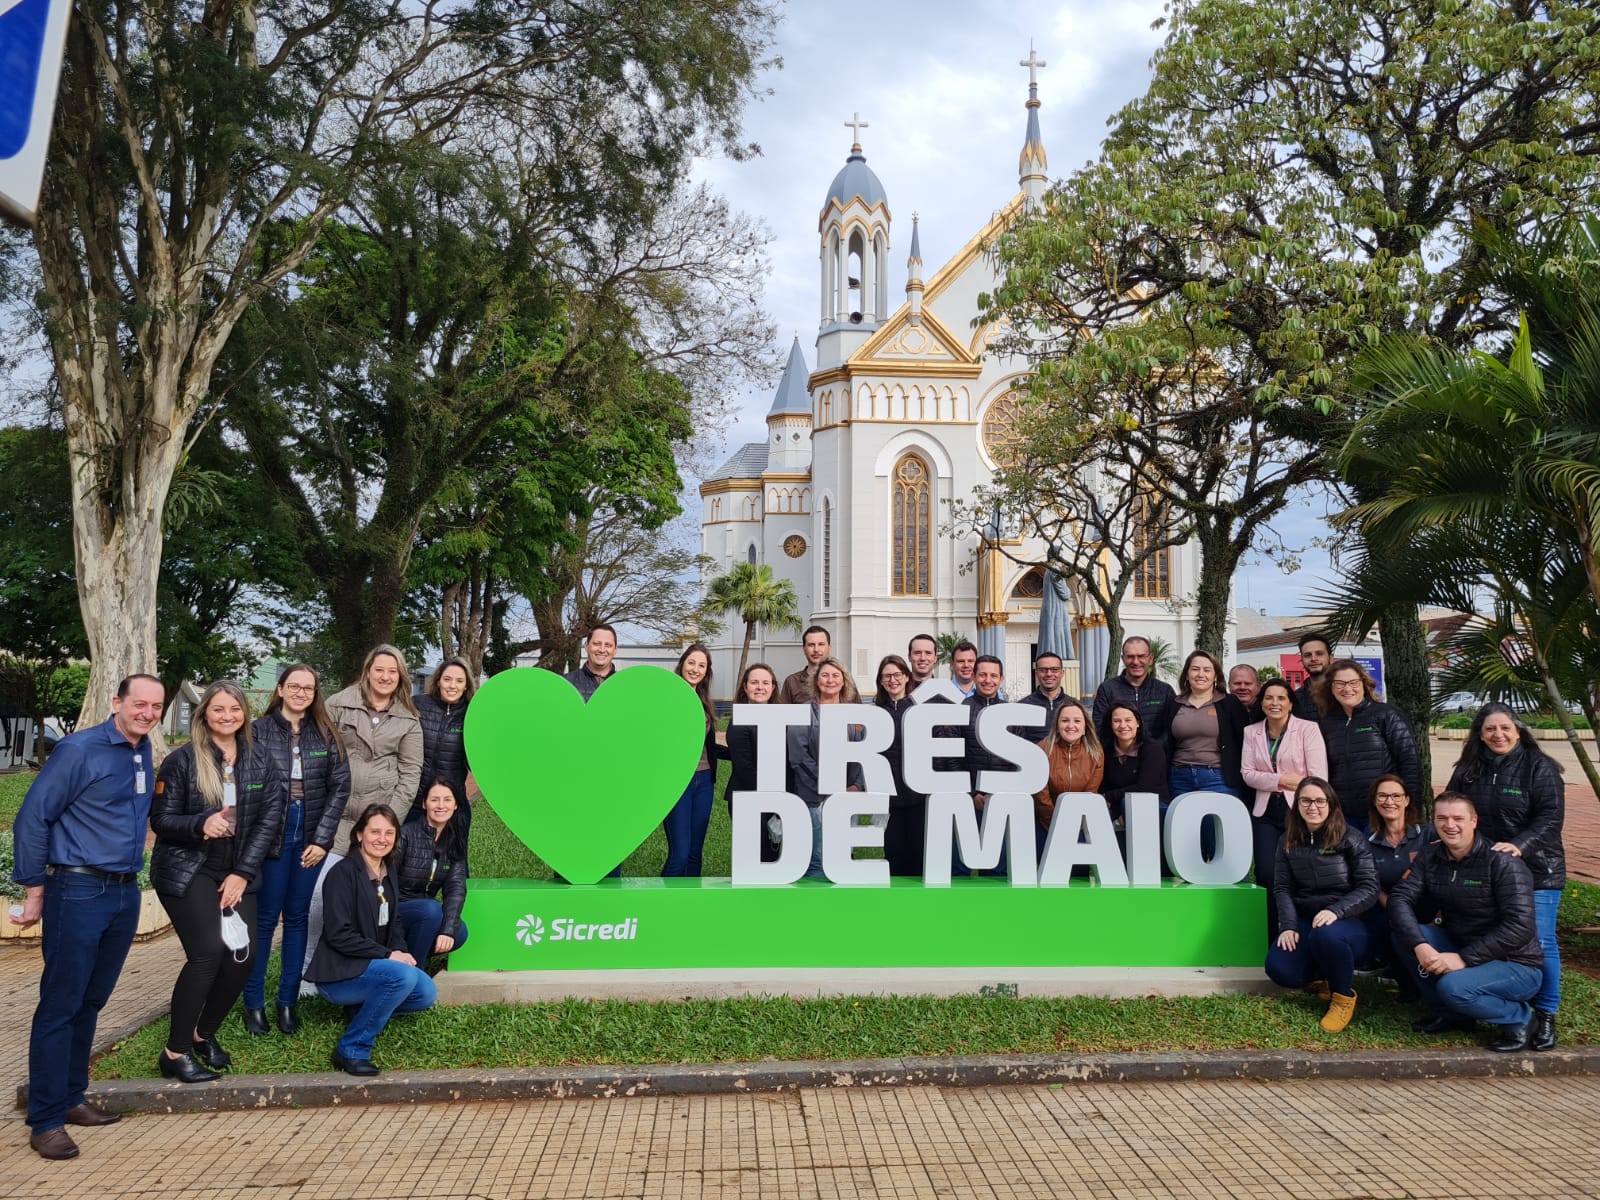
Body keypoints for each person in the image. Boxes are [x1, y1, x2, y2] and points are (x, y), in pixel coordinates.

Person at [11, 674, 164, 1161]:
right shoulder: (78, 750)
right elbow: (33, 817)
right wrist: (36, 890)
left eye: (156, 706)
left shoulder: (141, 751)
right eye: (139, 703)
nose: (147, 712)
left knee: (92, 1002)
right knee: (61, 1005)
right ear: (116, 702)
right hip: (77, 889)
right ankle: (46, 1119)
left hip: (123, 893)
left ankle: (72, 1097)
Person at [150, 681, 287, 1083]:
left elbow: (268, 821)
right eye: (218, 710)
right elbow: (160, 820)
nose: (227, 716)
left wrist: (242, 873)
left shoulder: (260, 760)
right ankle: (175, 1052)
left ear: (245, 712)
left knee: (242, 955)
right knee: (208, 952)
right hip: (188, 869)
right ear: (203, 714)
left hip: (235, 873)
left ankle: (201, 1033)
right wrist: (200, 823)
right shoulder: (181, 762)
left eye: (234, 709)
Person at [1446, 703, 1565, 1051]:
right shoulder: (1469, 768)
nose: (1498, 735)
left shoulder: (1539, 767)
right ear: (1479, 735)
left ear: (1518, 730)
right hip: (1485, 870)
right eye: (1489, 729)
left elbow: (1550, 817)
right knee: (1485, 932)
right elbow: (1453, 805)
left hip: (1538, 870)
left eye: (1505, 728)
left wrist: (1519, 845)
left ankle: (1545, 1012)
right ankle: (1492, 1003)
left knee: (1540, 941)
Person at [1388, 791, 1544, 1052]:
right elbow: (1399, 898)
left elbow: (1520, 926)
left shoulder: (1503, 863)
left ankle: (1521, 1018)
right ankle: (1453, 1015)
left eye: (1458, 818)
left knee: (1453, 987)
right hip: (1461, 944)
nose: (1450, 825)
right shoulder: (1431, 855)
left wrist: (1464, 959)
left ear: (1474, 821)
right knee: (1404, 937)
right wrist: (1419, 945)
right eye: (1442, 818)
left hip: (1516, 963)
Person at [243, 663, 350, 1037]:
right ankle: (253, 1004)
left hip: (310, 833)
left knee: (299, 918)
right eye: (294, 686)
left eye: (308, 688)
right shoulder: (256, 732)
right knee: (265, 920)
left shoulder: (325, 733)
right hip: (273, 834)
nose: (301, 693)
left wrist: (322, 840)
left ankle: (287, 1001)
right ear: (280, 690)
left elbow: (340, 788)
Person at [305, 804, 437, 1075]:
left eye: (389, 833)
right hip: (339, 975)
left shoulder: (387, 872)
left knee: (426, 993)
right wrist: (389, 956)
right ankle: (352, 1048)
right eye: (374, 831)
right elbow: (338, 934)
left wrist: (400, 949)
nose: (382, 839)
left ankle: (363, 1010)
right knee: (402, 977)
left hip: (369, 970)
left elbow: (395, 921)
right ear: (359, 835)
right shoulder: (342, 873)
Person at [1265, 777, 1378, 1032]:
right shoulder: (1287, 840)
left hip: (1349, 921)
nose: (1312, 807)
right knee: (1280, 970)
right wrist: (1288, 926)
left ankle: (1342, 997)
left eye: (1319, 801)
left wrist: (1336, 911)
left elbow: (1369, 888)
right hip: (1308, 918)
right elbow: (1283, 888)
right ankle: (1326, 976)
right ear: (1297, 805)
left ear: (1331, 804)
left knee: (1326, 936)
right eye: (1306, 800)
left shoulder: (1352, 838)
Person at [325, 645, 424, 855]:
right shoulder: (337, 705)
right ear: (368, 671)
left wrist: (388, 822)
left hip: (377, 821)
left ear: (400, 676)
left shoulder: (408, 719)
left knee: (369, 885)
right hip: (334, 815)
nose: (385, 677)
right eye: (379, 670)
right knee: (323, 885)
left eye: (392, 671)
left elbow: (410, 774)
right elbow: (317, 754)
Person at [1240, 677, 1328, 903]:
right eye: (1268, 698)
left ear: (1290, 703)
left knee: (1299, 871)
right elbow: (1247, 773)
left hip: (1299, 809)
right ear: (1261, 703)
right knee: (1266, 873)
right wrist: (1281, 780)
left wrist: (1297, 786)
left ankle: (1295, 928)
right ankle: (1269, 929)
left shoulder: (1308, 729)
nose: (1274, 703)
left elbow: (1317, 776)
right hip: (1265, 812)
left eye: (1281, 698)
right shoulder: (1251, 732)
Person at [1318, 659, 1422, 834]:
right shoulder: (1327, 722)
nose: (1347, 688)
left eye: (1353, 682)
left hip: (1381, 812)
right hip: (1343, 815)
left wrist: (1410, 810)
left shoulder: (1386, 714)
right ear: (1331, 688)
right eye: (1339, 683)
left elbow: (1409, 763)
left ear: (1364, 685)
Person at [785, 657, 863, 879]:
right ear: (816, 680)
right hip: (814, 797)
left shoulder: (855, 712)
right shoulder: (804, 711)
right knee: (816, 858)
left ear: (844, 681)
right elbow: (799, 757)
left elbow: (862, 753)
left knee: (843, 856)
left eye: (836, 675)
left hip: (848, 796)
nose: (830, 680)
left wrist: (856, 785)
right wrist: (828, 786)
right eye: (825, 675)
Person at [1363, 773, 1431, 1001]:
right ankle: (1407, 985)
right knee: (1390, 926)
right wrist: (1394, 908)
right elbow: (1371, 883)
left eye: (1395, 796)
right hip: (1390, 907)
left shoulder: (1427, 834)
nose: (1389, 802)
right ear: (1374, 801)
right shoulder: (1368, 841)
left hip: (1428, 907)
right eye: (1382, 796)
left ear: (1407, 800)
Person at [396, 779, 470, 966]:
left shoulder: (454, 840)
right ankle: (416, 977)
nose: (441, 806)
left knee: (459, 932)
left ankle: (406, 961)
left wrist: (447, 930)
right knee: (430, 909)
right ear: (424, 803)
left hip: (424, 914)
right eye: (434, 800)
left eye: (447, 800)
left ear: (455, 805)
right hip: (395, 910)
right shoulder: (405, 834)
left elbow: (456, 889)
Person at [662, 643, 718, 877]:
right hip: (677, 782)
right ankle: (664, 906)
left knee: (695, 852)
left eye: (701, 665)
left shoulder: (704, 701)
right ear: (682, 664)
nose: (695, 669)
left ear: (707, 672)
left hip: (704, 781)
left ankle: (690, 909)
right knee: (681, 853)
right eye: (691, 662)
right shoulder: (667, 698)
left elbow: (707, 744)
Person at [1032, 698, 1105, 860]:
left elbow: (1090, 794)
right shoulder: (1043, 749)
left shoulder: (1096, 752)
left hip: (1079, 825)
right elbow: (1041, 794)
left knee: (1078, 876)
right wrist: (1056, 824)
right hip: (1046, 824)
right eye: (1065, 720)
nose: (1071, 726)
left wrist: (1073, 825)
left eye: (1077, 721)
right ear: (1057, 726)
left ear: (1085, 726)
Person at [410, 657, 474, 837]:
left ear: (466, 685)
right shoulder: (418, 705)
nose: (452, 685)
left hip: (451, 804)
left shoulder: (472, 715)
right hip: (415, 802)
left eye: (459, 681)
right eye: (447, 679)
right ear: (438, 681)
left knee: (454, 861)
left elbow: (477, 761)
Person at [725, 663, 780, 862]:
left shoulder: (780, 718)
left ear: (773, 688)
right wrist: (773, 797)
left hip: (776, 798)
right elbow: (744, 768)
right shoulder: (740, 719)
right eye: (754, 682)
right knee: (754, 859)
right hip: (748, 797)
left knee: (774, 858)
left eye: (766, 683)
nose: (760, 687)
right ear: (745, 687)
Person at [875, 654, 925, 876]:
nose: (892, 680)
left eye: (897, 675)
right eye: (887, 676)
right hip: (889, 796)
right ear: (881, 681)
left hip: (918, 795)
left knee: (918, 854)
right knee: (892, 853)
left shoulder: (920, 711)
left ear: (906, 677)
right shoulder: (876, 713)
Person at [1092, 636, 1177, 745]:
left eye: (1141, 656)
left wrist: (1154, 750)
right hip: (1118, 757)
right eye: (1130, 657)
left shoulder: (1164, 691)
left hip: (1155, 757)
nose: (1136, 662)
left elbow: (1171, 729)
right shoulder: (1108, 689)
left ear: (1150, 659)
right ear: (1123, 659)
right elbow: (1099, 727)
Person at [1099, 702, 1169, 835]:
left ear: (1138, 722)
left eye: (1128, 720)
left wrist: (1108, 797)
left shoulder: (1152, 749)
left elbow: (1144, 787)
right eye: (1117, 721)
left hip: (1155, 807)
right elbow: (1104, 784)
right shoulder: (1105, 751)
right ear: (1110, 724)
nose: (1123, 725)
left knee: (1129, 804)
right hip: (1120, 808)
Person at [564, 624, 618, 700]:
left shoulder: (625, 685)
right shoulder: (567, 683)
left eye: (608, 645)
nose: (602, 650)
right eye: (597, 644)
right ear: (586, 646)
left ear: (615, 649)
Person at [780, 625, 831, 703]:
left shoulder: (841, 680)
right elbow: (782, 713)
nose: (816, 649)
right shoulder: (792, 682)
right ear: (804, 649)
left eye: (821, 644)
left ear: (829, 648)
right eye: (811, 645)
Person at [1020, 651, 1068, 728]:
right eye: (1043, 670)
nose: (1049, 674)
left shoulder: (1074, 705)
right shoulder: (1022, 707)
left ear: (1062, 673)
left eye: (1054, 670)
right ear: (1036, 674)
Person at [1291, 633, 1332, 721]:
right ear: (1302, 660)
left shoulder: (1344, 692)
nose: (1313, 658)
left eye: (1319, 654)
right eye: (1307, 655)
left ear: (1330, 658)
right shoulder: (1295, 698)